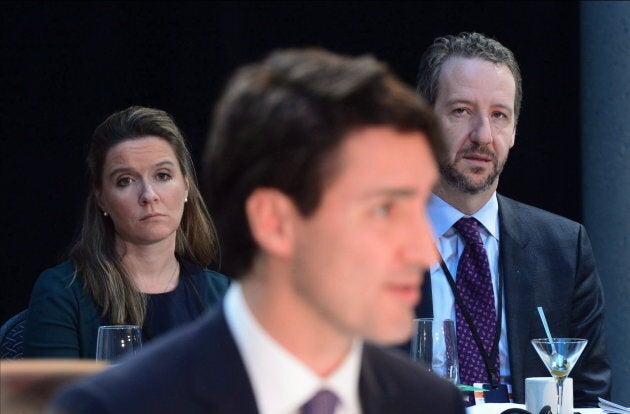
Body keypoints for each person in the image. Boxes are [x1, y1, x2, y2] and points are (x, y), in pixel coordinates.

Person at [49, 49, 466, 414]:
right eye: (382, 210)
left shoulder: (430, 403)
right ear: (275, 223)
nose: (424, 253)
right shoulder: (116, 405)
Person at [413, 32, 611, 406]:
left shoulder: (565, 249)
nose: (483, 135)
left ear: (516, 130)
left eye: (499, 115)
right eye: (461, 111)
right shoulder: (362, 244)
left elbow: (590, 397)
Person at [24, 106, 230, 359]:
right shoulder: (62, 292)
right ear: (102, 199)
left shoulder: (222, 295)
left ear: (186, 186)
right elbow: (55, 399)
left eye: (163, 175)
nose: (149, 195)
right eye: (125, 180)